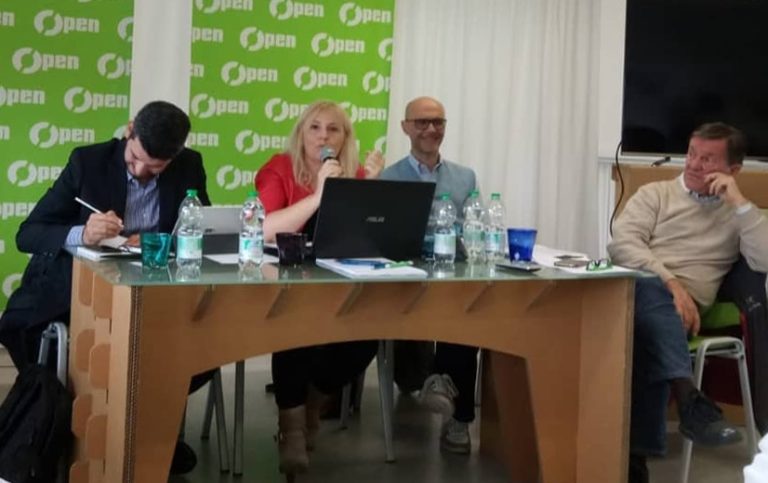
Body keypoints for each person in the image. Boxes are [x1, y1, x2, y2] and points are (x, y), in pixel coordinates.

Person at [0, 100, 211, 475]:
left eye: (155, 168)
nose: (141, 171)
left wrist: (161, 243)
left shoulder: (189, 166)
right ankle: (88, 430)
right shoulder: (88, 162)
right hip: (82, 291)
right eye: (134, 159)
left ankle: (149, 432)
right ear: (129, 131)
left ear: (175, 156)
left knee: (198, 339)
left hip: (155, 293)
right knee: (57, 340)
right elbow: (28, 233)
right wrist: (82, 232)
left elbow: (200, 232)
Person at [608, 122, 768, 483]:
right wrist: (671, 282)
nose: (694, 164)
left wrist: (740, 203)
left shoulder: (738, 216)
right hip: (637, 292)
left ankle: (636, 463)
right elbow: (622, 244)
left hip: (679, 312)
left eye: (708, 159)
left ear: (733, 170)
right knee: (651, 295)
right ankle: (688, 397)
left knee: (645, 335)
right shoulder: (655, 194)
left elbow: (764, 260)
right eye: (692, 154)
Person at [255, 100, 385, 477]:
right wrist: (319, 195)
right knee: (295, 331)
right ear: (301, 134)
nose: (323, 136)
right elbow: (265, 230)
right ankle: (292, 430)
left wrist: (370, 188)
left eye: (333, 129)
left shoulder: (352, 173)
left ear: (345, 138)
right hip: (285, 284)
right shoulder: (279, 168)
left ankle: (310, 404)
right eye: (314, 127)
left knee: (366, 338)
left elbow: (365, 236)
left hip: (338, 287)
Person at [380, 96, 479, 454]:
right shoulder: (389, 177)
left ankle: (458, 417)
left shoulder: (465, 177)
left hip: (454, 271)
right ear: (405, 128)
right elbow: (380, 235)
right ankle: (431, 380)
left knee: (470, 314)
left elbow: (476, 227)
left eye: (438, 122)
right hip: (405, 274)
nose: (431, 129)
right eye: (422, 122)